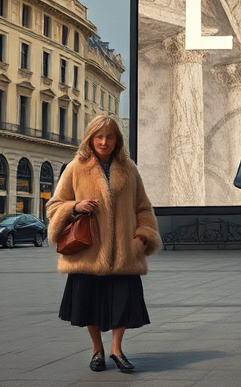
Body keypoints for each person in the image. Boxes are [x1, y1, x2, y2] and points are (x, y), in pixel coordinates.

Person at [47, 115, 162, 374]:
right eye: (99, 137)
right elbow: (54, 205)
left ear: (117, 140)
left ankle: (117, 350)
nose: (104, 141)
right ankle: (97, 350)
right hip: (88, 252)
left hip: (124, 252)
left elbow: (143, 207)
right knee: (89, 303)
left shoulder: (129, 168)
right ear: (90, 139)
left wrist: (142, 236)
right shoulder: (75, 167)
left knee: (123, 302)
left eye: (110, 137)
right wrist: (74, 206)